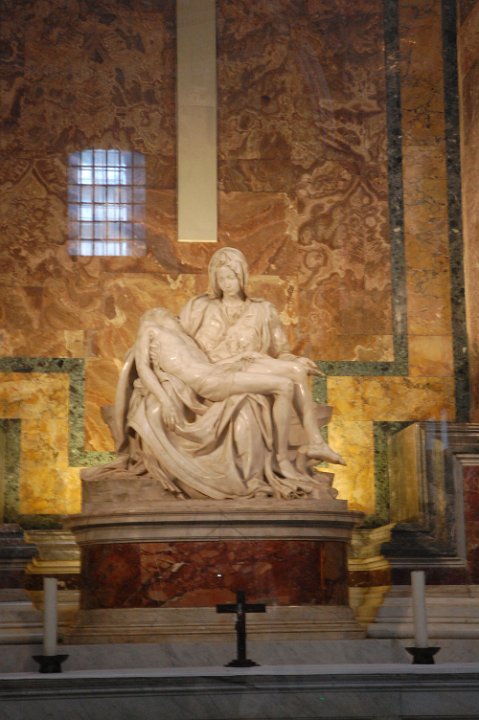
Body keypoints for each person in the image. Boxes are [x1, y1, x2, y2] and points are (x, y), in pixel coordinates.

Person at [134, 307, 343, 482]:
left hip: (217, 372)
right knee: (284, 386)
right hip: (211, 382)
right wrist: (165, 401)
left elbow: (207, 365)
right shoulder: (150, 328)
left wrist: (248, 356)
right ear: (161, 315)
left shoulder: (186, 340)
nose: (179, 319)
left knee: (296, 371)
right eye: (175, 317)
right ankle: (281, 461)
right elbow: (142, 367)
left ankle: (317, 443)